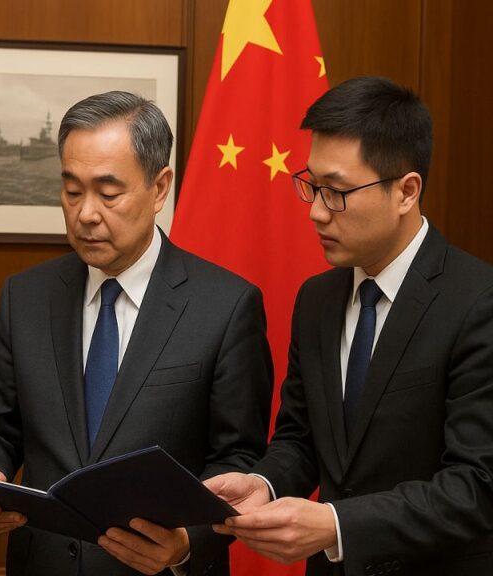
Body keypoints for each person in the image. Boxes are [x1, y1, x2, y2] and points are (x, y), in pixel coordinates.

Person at [0, 91, 273, 576]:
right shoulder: (26, 296)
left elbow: (239, 457)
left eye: (108, 194)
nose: (85, 213)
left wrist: (186, 543)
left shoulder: (226, 306)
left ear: (160, 188)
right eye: (71, 191)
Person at [207, 76, 493, 575]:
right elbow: (301, 439)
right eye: (312, 186)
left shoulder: (477, 301)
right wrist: (264, 484)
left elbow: (476, 485)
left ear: (406, 192)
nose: (316, 212)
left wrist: (338, 525)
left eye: (336, 192)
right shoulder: (317, 299)